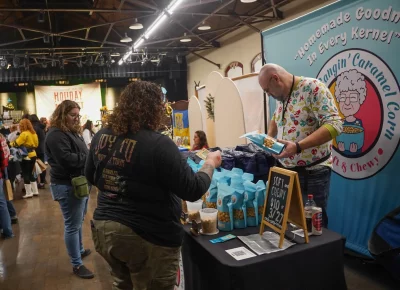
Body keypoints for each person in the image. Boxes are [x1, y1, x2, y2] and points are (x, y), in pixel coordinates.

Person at [85, 81, 221, 290]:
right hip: (147, 235)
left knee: (122, 285)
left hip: (105, 230)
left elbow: (91, 176)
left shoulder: (101, 136)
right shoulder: (159, 144)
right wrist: (210, 162)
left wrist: (121, 187)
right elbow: (192, 189)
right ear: (153, 108)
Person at [258, 63, 343, 227]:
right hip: (286, 170)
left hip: (312, 173)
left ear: (276, 79)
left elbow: (335, 125)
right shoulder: (282, 95)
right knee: (291, 222)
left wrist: (298, 146)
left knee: (314, 226)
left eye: (267, 90)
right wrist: (268, 137)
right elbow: (277, 117)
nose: (268, 95)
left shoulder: (313, 88)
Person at [45, 100, 93, 279]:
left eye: (78, 115)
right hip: (67, 185)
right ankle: (76, 264)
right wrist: (87, 158)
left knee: (78, 221)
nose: (76, 119)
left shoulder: (70, 132)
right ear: (62, 115)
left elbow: (79, 154)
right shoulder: (55, 134)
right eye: (73, 115)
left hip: (78, 183)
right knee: (72, 225)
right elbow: (67, 159)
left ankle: (79, 250)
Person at [334, 69, 366, 155]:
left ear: (360, 100)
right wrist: (340, 148)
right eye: (343, 97)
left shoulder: (359, 124)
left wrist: (356, 151)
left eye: (352, 97)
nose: (347, 102)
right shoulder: (339, 122)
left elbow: (360, 142)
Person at [10, 119, 39, 198]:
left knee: (25, 173)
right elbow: (36, 145)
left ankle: (29, 193)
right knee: (31, 173)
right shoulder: (34, 133)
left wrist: (10, 143)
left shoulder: (24, 134)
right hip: (33, 154)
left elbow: (16, 143)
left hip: (25, 156)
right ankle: (35, 191)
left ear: (22, 126)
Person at [0, 133, 15, 239]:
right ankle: (8, 227)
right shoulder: (2, 138)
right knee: (3, 200)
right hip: (3, 170)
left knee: (2, 202)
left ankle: (7, 230)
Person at [29, 114, 47, 189]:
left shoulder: (34, 128)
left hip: (36, 149)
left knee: (34, 166)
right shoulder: (41, 127)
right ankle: (42, 182)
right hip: (42, 149)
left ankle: (36, 183)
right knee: (42, 166)